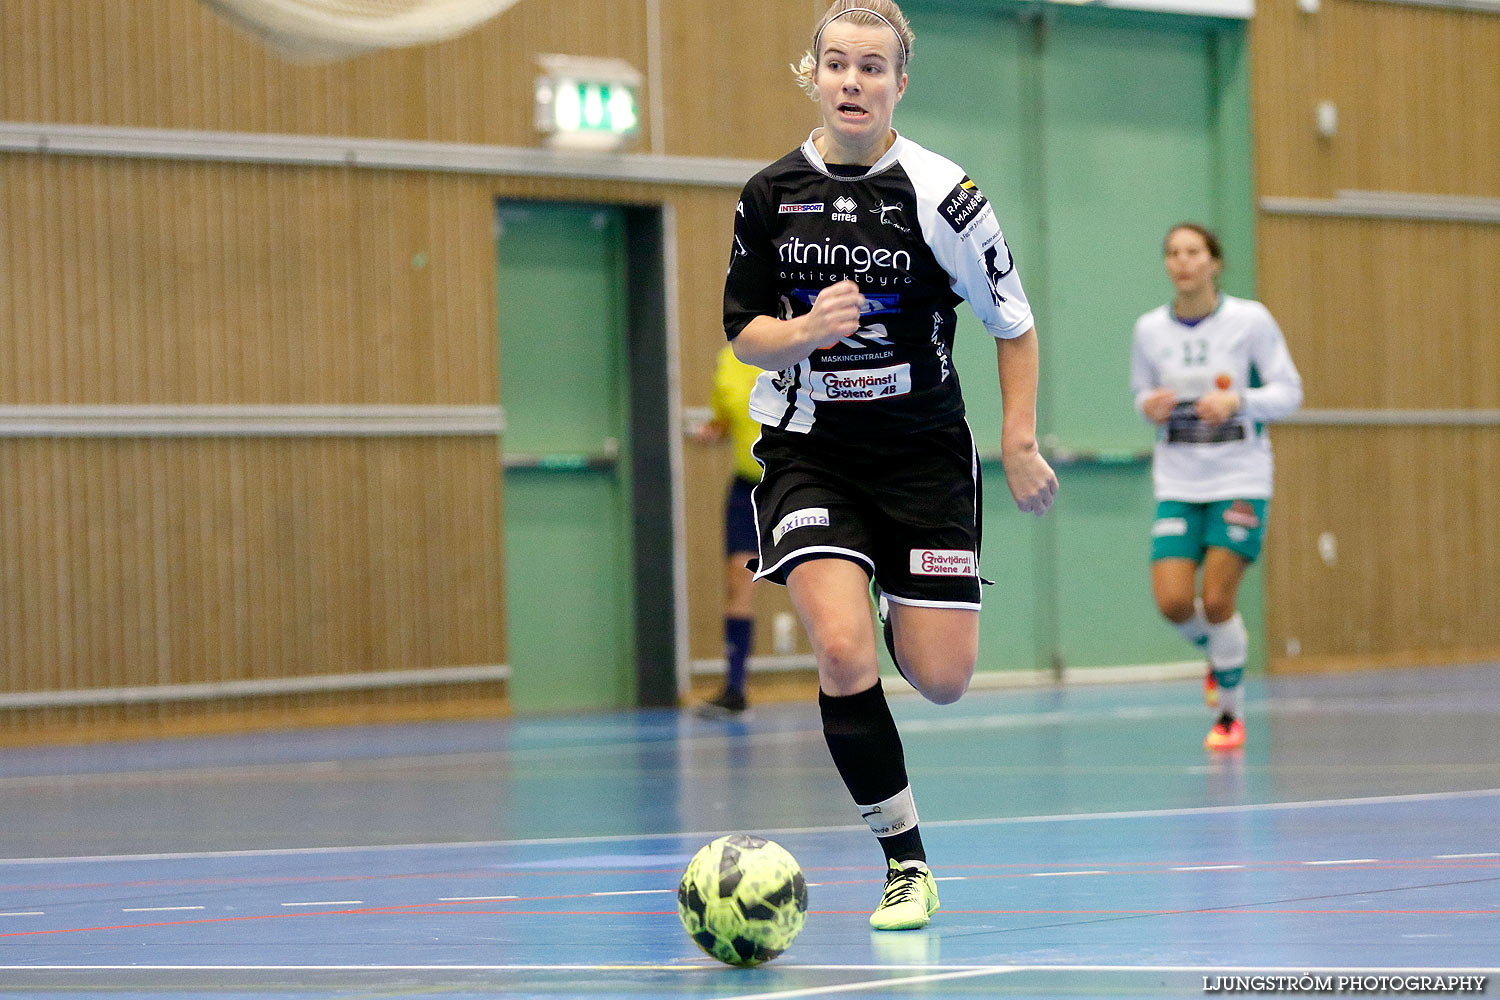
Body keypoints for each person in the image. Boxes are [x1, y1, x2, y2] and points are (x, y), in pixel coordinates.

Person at [722, 0, 1057, 932]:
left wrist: (1019, 440)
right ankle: (905, 861)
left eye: (872, 68)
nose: (853, 81)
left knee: (942, 678)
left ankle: (884, 587)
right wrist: (804, 332)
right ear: (813, 75)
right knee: (839, 650)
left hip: (923, 458)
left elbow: (1014, 325)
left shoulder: (945, 196)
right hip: (810, 451)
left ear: (900, 83)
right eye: (837, 65)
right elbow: (746, 335)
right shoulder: (769, 195)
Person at [1130, 223, 1302, 752]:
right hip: (1180, 479)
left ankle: (1229, 712)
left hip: (1239, 477)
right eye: (1173, 253)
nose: (1183, 262)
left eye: (1193, 252)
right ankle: (1222, 653)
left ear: (1214, 262)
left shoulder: (1249, 321)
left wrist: (1239, 401)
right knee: (1175, 601)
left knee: (1217, 597)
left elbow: (1289, 392)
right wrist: (1149, 406)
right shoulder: (1150, 330)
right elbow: (1140, 393)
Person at [693, 344, 765, 717]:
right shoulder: (727, 359)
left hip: (799, 481)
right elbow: (724, 419)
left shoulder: (803, 346)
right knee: (739, 579)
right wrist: (710, 431)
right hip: (747, 488)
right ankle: (735, 689)